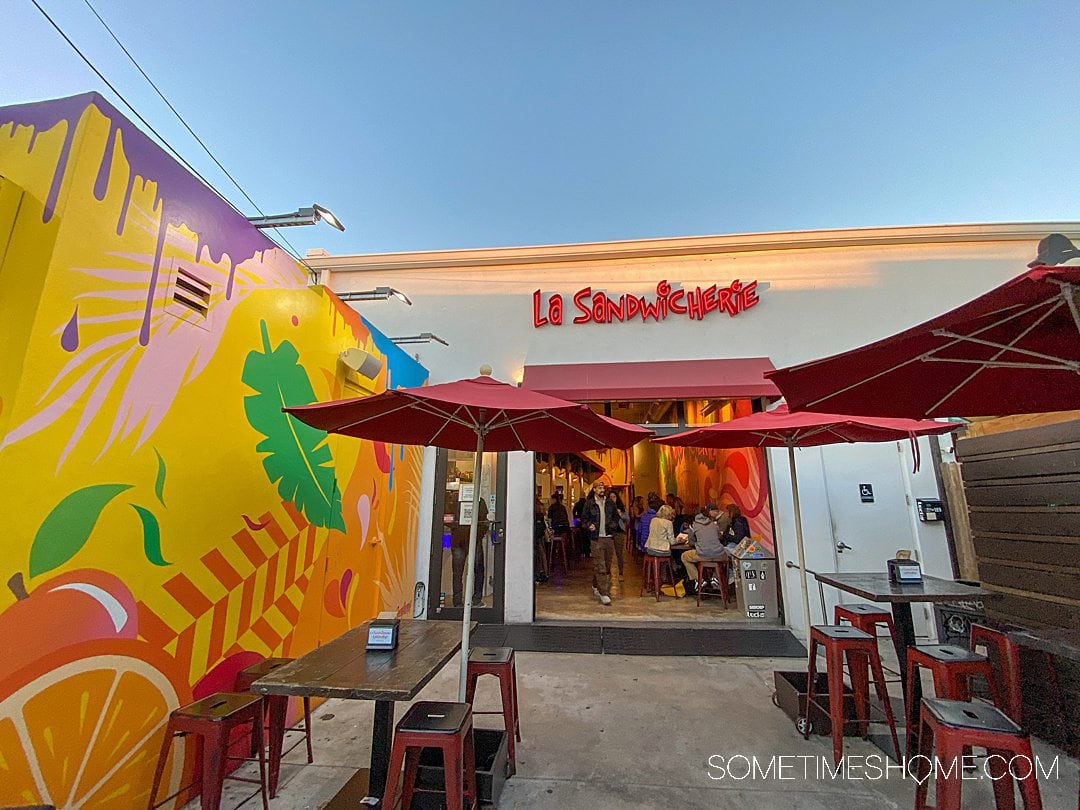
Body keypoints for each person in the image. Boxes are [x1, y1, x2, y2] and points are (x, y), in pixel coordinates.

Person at [581, 481, 619, 605]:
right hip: (596, 538)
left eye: (603, 488)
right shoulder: (589, 504)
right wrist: (589, 525)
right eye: (599, 488)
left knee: (607, 566)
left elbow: (615, 519)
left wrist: (612, 526)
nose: (602, 490)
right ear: (594, 490)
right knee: (600, 566)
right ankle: (604, 594)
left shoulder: (610, 504)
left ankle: (595, 585)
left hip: (608, 537)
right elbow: (583, 519)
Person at [681, 504, 732, 596]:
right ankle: (715, 578)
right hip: (719, 555)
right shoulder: (714, 524)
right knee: (725, 558)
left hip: (703, 554)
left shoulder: (694, 525)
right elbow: (719, 537)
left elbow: (691, 542)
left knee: (684, 556)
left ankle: (698, 580)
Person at [451, 496, 489, 607]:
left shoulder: (455, 500)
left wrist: (457, 530)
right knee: (478, 570)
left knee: (457, 572)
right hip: (473, 540)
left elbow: (448, 519)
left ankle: (457, 602)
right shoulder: (479, 500)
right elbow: (484, 521)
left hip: (458, 540)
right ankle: (476, 600)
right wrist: (478, 535)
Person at [607, 490, 628, 580]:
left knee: (619, 553)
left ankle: (620, 573)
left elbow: (627, 518)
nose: (612, 499)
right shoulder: (606, 508)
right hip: (609, 533)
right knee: (608, 554)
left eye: (614, 497)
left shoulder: (621, 508)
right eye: (610, 497)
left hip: (619, 532)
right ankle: (608, 572)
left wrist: (620, 514)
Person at [533, 496, 549, 584]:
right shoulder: (541, 512)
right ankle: (543, 573)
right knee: (541, 554)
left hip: (535, 537)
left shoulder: (533, 513)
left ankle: (538, 573)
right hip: (540, 536)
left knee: (537, 555)